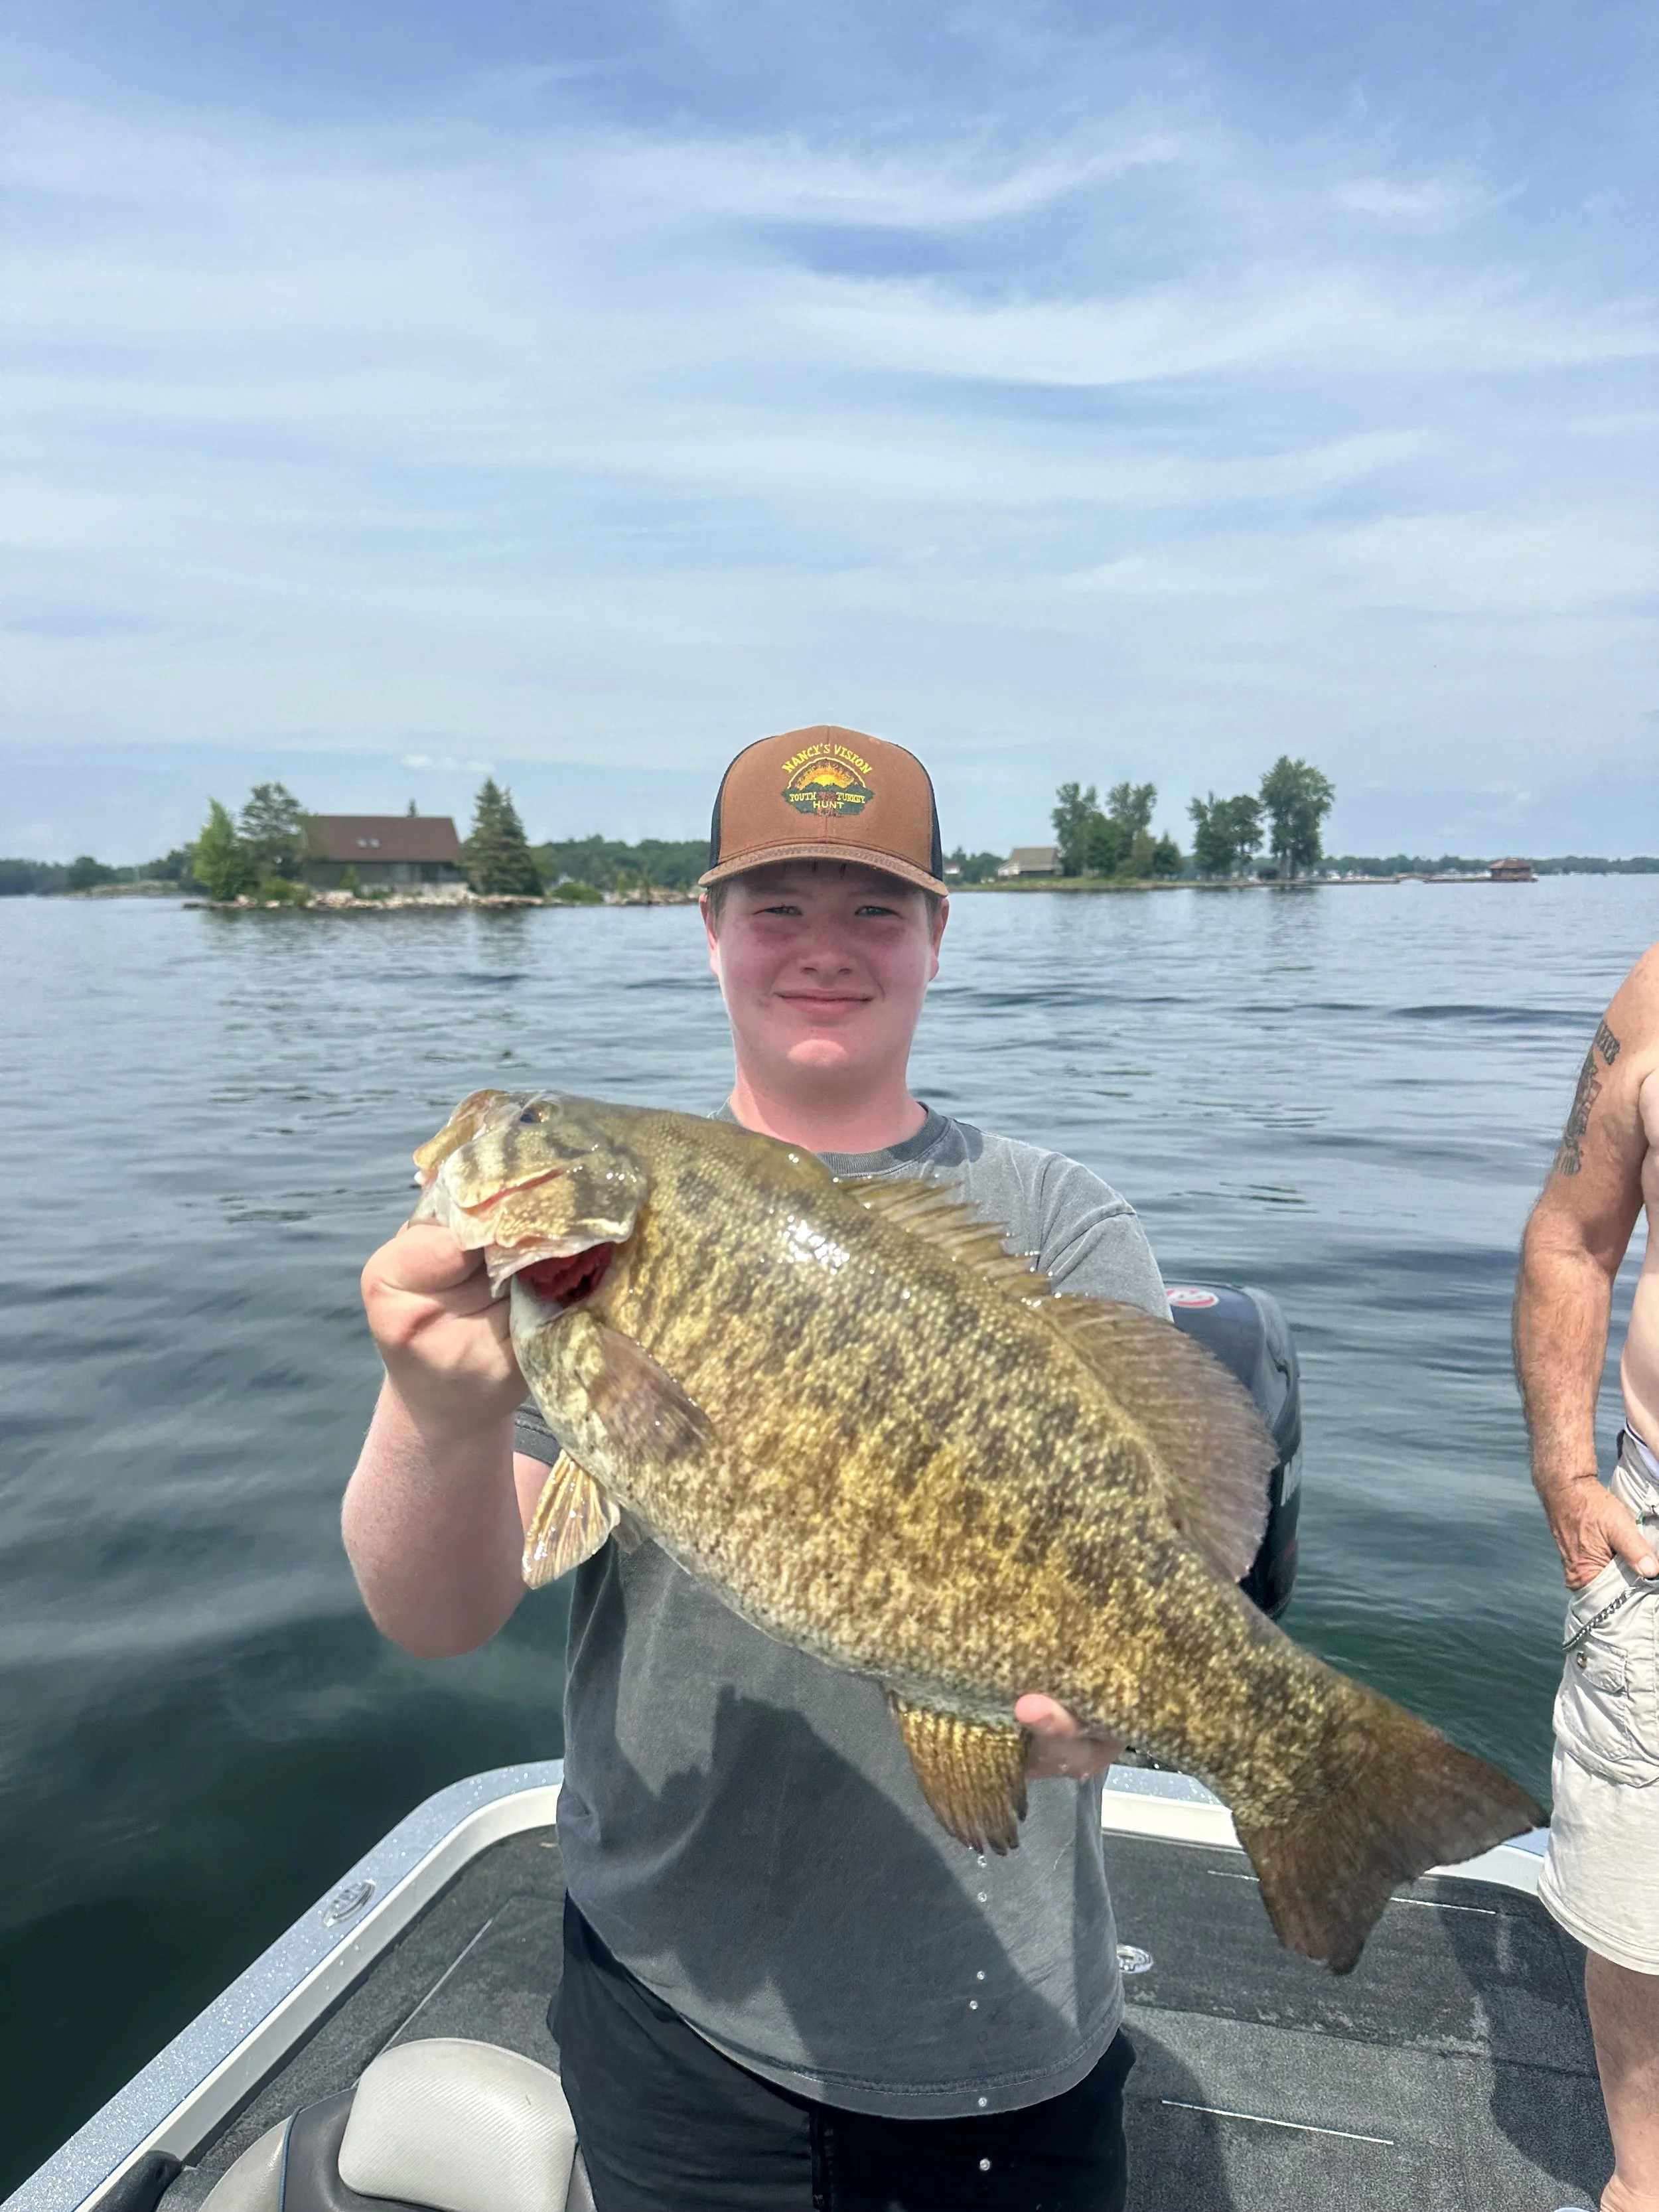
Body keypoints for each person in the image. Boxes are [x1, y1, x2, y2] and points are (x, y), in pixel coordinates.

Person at [344, 726, 1174, 2211]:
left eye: (870, 908)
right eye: (776, 906)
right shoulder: (560, 1292)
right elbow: (438, 1613)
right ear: (709, 926)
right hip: (666, 1999)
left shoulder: (1060, 1223)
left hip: (1001, 2016)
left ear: (935, 933)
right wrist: (433, 1408)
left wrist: (1120, 1696)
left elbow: (1165, 1549)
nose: (822, 951)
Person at [1515, 942, 1659, 2212]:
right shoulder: (1656, 995)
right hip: (1656, 1527)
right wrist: (1570, 1475)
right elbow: (1573, 1238)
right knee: (1639, 1918)